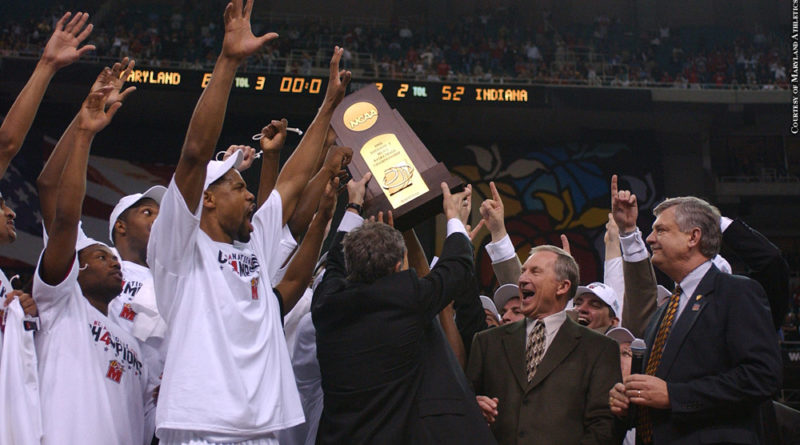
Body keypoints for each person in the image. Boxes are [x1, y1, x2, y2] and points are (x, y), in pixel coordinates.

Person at [146, 1, 352, 441]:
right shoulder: (180, 248)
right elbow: (195, 154)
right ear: (208, 199)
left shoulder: (253, 243)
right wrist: (229, 61)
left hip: (264, 426)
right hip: (202, 424)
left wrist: (329, 106)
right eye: (238, 187)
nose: (250, 194)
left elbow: (294, 181)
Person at [312, 178, 495, 445]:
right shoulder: (408, 299)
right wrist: (453, 217)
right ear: (399, 264)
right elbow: (457, 266)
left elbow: (335, 265)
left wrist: (353, 206)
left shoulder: (326, 305)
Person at [32, 73, 154, 444]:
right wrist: (84, 132)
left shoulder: (136, 347)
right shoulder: (61, 302)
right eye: (103, 256)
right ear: (75, 268)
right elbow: (61, 208)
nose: (114, 262)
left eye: (114, 260)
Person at [609, 196, 782, 445]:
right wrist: (629, 403)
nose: (650, 239)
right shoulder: (662, 312)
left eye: (661, 230)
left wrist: (674, 395)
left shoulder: (736, 292)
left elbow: (763, 377)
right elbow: (655, 396)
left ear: (693, 237)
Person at [466, 243, 621, 445]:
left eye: (535, 272)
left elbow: (605, 425)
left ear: (563, 286)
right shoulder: (487, 342)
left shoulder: (599, 349)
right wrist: (473, 409)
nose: (522, 279)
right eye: (523, 272)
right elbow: (463, 407)